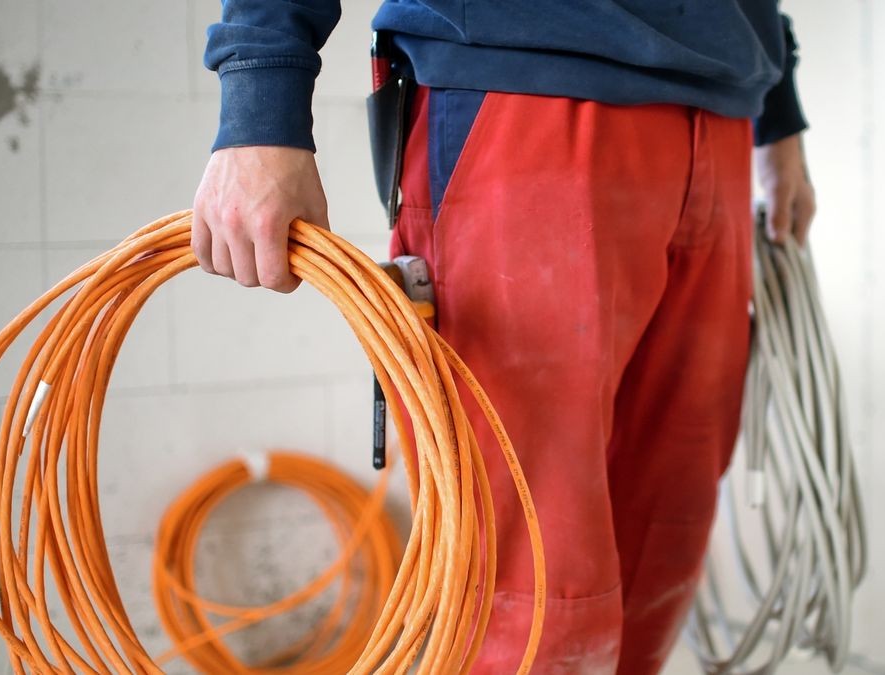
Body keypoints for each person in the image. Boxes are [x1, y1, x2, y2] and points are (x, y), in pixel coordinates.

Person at [192, 1, 816, 672]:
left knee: (666, 530)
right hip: (522, 86)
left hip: (724, 110)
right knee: (527, 568)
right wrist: (260, 98)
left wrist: (779, 119)